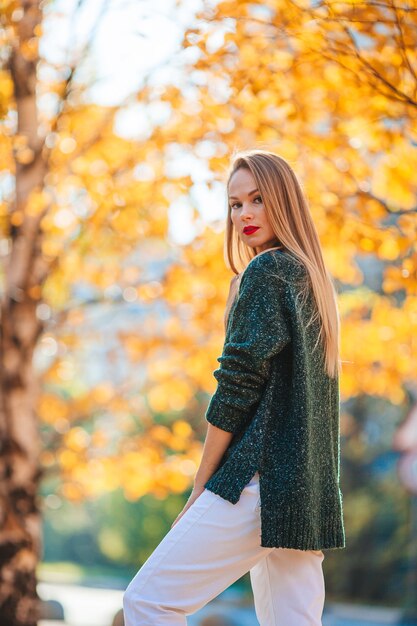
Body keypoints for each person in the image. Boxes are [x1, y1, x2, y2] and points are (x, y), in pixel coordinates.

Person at [123, 149, 346, 626]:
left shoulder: (267, 272)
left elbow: (237, 388)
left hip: (258, 481)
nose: (244, 214)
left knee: (147, 602)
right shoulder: (311, 279)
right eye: (235, 204)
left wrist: (202, 485)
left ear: (284, 202)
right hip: (302, 492)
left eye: (258, 200)